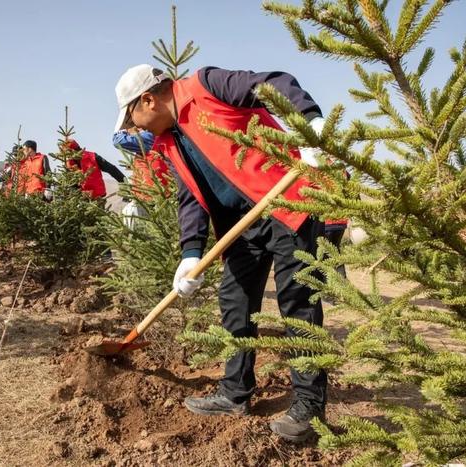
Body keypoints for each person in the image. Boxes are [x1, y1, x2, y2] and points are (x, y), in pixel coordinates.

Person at [114, 64, 328, 442]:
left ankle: (309, 409)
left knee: (298, 304)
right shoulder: (169, 141)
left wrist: (311, 123)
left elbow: (271, 83)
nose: (135, 128)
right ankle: (235, 392)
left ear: (148, 99)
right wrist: (191, 253)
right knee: (235, 300)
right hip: (240, 226)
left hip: (286, 203)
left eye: (131, 116)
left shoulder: (206, 85)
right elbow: (191, 198)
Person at [61, 138, 126, 198]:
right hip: (82, 198)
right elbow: (71, 183)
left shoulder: (93, 157)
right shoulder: (69, 164)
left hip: (97, 195)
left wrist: (125, 184)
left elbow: (111, 169)